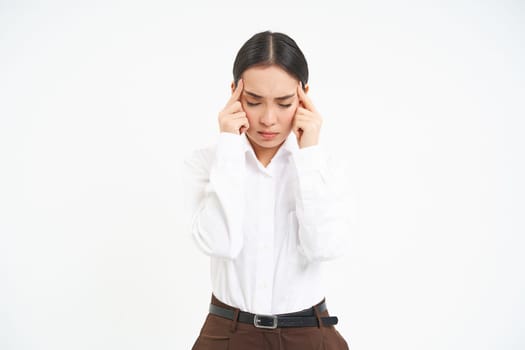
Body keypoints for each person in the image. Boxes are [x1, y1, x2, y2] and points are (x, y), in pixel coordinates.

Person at [183, 30, 351, 350]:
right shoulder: (207, 163)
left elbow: (324, 247)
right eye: (254, 101)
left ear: (304, 97)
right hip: (228, 332)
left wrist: (309, 154)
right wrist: (230, 148)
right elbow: (220, 243)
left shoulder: (326, 167)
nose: (268, 119)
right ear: (234, 93)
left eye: (284, 103)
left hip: (308, 331)